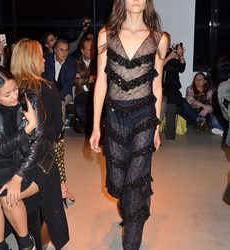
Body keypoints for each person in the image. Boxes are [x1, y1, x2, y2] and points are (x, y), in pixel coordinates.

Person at [89, 0, 168, 249]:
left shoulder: (159, 39)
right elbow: (101, 83)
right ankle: (140, 200)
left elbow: (157, 85)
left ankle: (132, 237)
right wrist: (95, 126)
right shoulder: (106, 35)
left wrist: (156, 127)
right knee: (119, 182)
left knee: (134, 185)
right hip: (114, 116)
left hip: (144, 116)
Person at [10, 38, 69, 249]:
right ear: (31, 60)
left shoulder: (8, 90)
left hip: (12, 158)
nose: (45, 59)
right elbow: (55, 130)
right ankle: (38, 239)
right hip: (40, 161)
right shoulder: (48, 87)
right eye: (40, 56)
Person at [0, 65, 40, 250]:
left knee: (8, 197)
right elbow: (1, 148)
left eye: (15, 89)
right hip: (3, 161)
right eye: (7, 95)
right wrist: (29, 127)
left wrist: (18, 177)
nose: (15, 97)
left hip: (32, 162)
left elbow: (38, 145)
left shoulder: (30, 99)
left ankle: (26, 243)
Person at [43, 39, 76, 125]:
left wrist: (58, 97)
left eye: (66, 50)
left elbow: (69, 84)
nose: (64, 53)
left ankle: (60, 130)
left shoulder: (71, 62)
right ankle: (46, 129)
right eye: (61, 50)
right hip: (49, 92)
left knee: (59, 104)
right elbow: (44, 80)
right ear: (55, 50)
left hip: (65, 93)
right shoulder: (47, 60)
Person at [74, 37, 96, 130]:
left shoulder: (97, 61)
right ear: (82, 51)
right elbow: (74, 81)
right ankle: (92, 128)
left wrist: (81, 78)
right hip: (81, 93)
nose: (92, 51)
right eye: (89, 49)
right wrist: (88, 79)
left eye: (93, 49)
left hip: (95, 92)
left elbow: (98, 79)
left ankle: (93, 128)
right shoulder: (75, 62)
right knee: (80, 108)